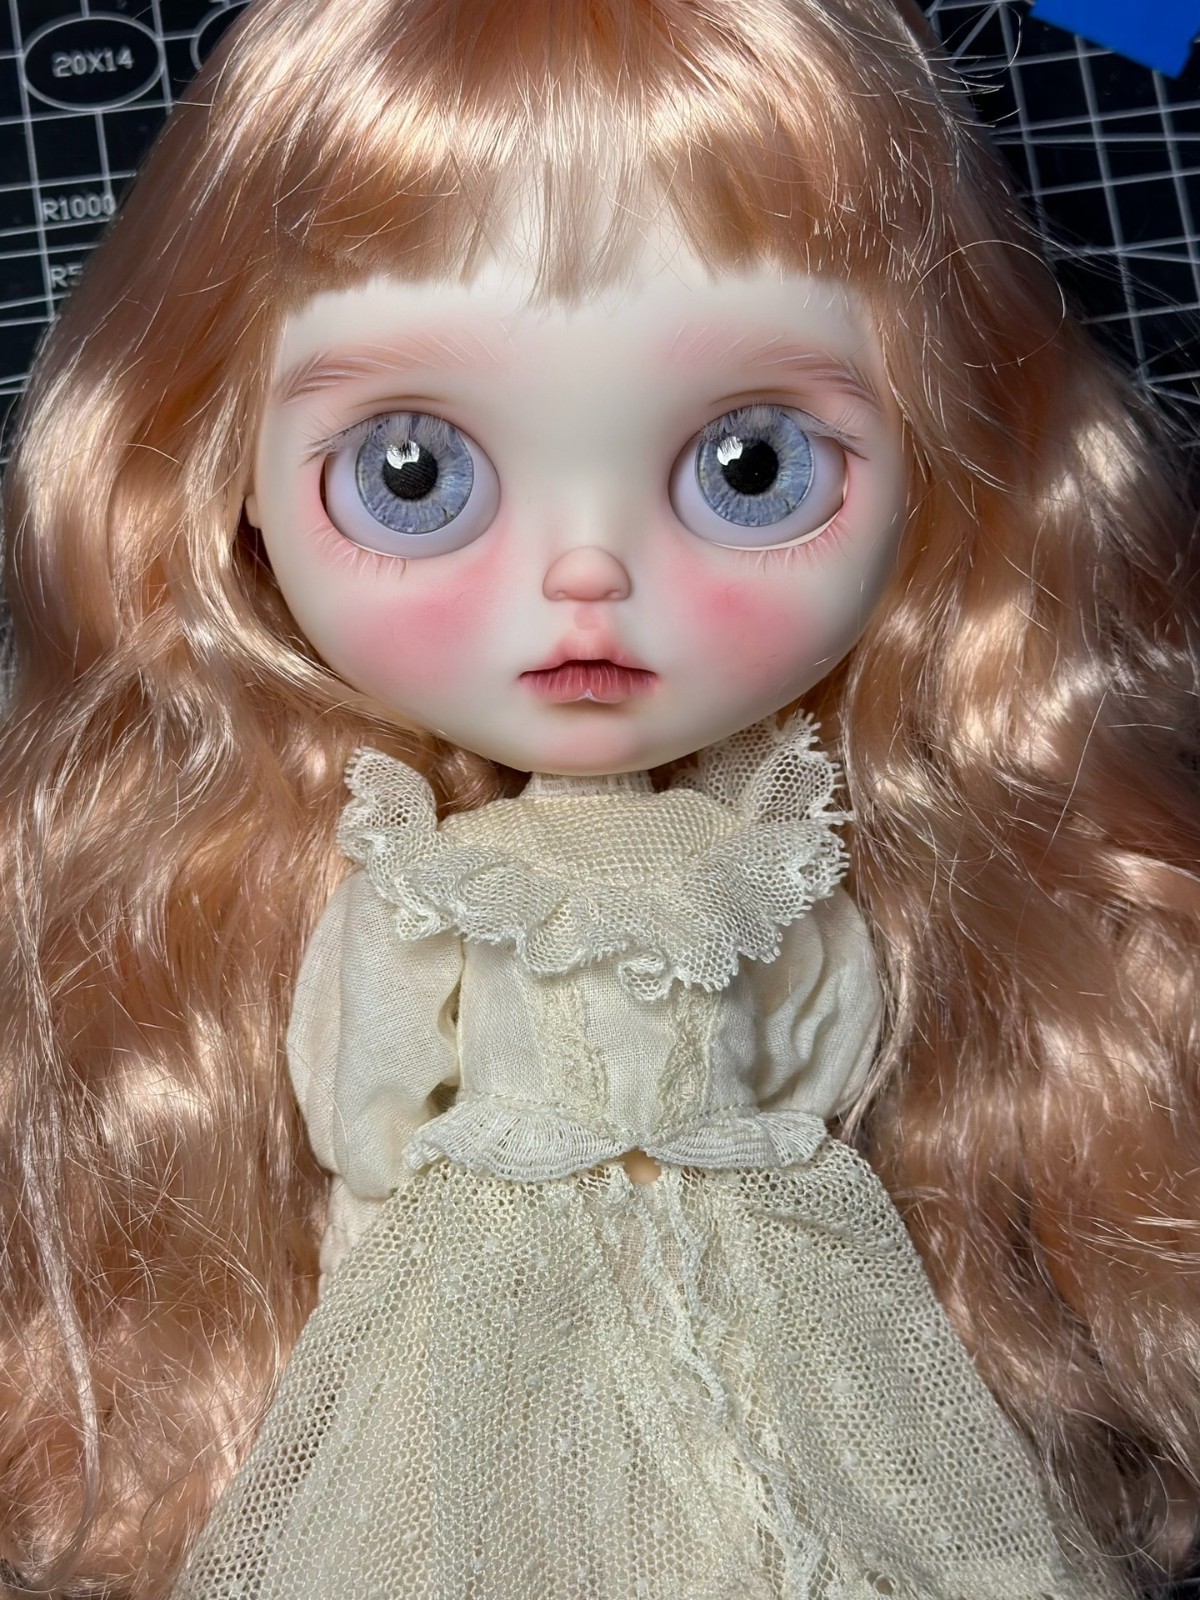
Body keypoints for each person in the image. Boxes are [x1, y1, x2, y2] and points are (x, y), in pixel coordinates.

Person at [1, 0, 1196, 1595]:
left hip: (766, 1239)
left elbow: (823, 1038)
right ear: (229, 487)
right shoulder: (429, 876)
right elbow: (370, 1091)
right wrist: (384, 1240)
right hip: (482, 1265)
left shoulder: (764, 852)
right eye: (414, 472)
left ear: (941, 459)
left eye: (754, 465)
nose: (587, 575)